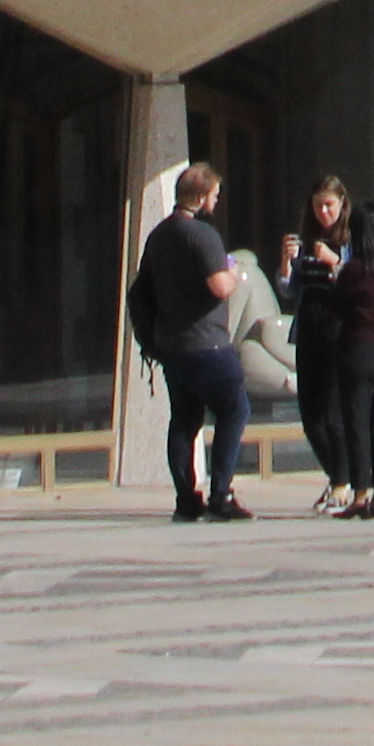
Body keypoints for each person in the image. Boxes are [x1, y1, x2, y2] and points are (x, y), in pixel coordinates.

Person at [278, 177, 374, 522]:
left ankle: (351, 487)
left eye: (330, 206)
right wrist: (287, 263)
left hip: (349, 339)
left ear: (343, 206)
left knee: (349, 418)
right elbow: (292, 290)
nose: (323, 212)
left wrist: (332, 261)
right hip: (323, 333)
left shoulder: (357, 255)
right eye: (317, 206)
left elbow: (348, 291)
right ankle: (364, 486)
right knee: (326, 418)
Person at [130, 159, 251, 523]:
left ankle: (186, 497)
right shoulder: (203, 234)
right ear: (201, 195)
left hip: (172, 346)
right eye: (214, 194)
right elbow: (218, 285)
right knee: (235, 408)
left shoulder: (159, 235)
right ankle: (221, 493)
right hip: (208, 344)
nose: (216, 201)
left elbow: (141, 290)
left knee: (184, 420)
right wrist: (233, 274)